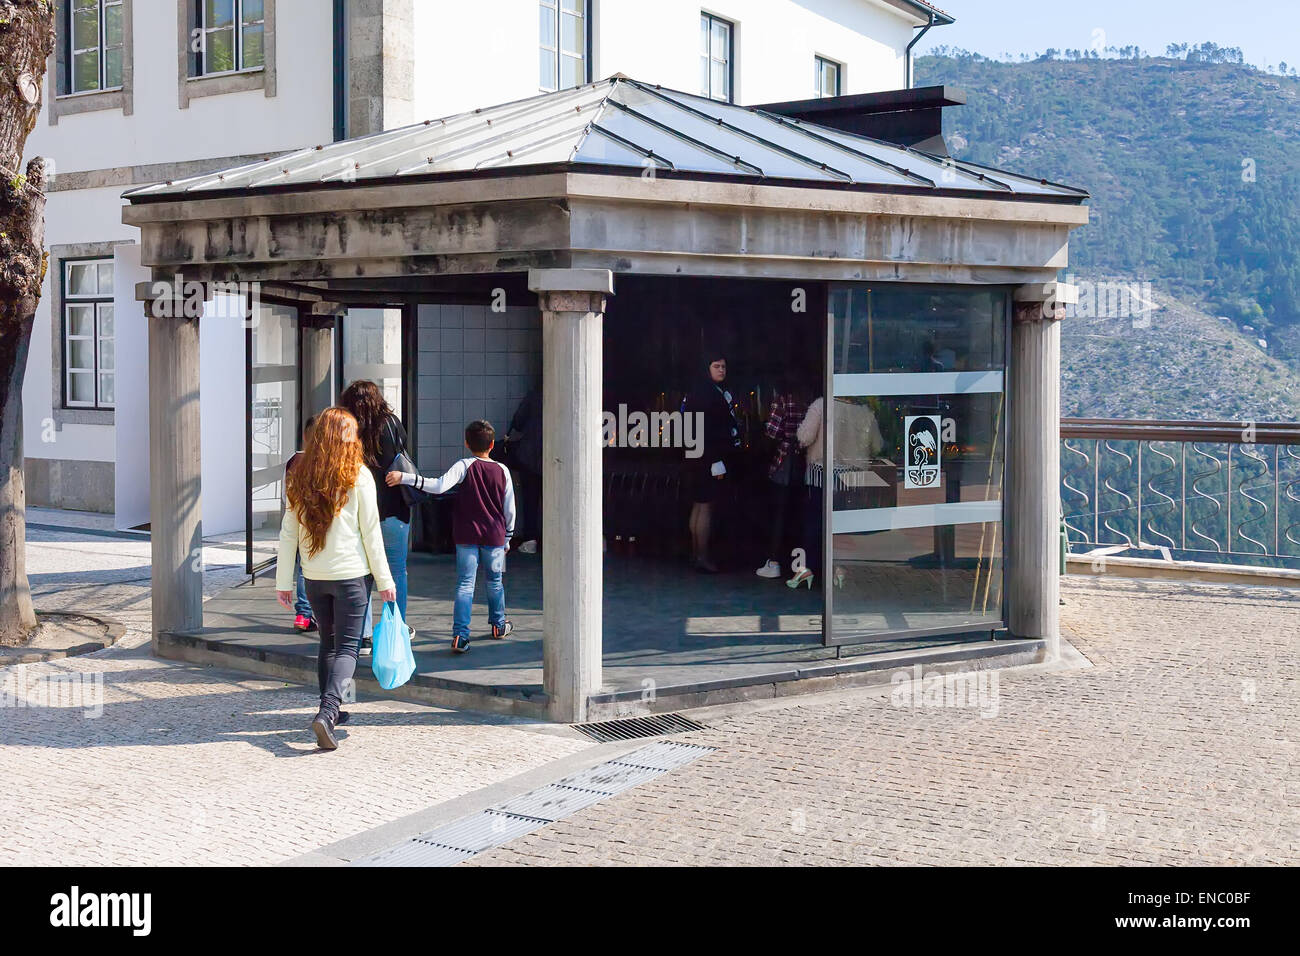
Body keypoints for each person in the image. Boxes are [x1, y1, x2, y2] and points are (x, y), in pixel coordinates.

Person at [277, 407, 395, 751]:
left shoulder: (300, 475)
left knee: (327, 644)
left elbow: (288, 532)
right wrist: (386, 581)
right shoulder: (358, 476)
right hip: (351, 577)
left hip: (314, 577)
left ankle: (330, 710)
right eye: (354, 433)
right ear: (347, 439)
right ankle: (328, 712)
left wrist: (284, 581)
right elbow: (371, 535)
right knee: (347, 647)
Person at [387, 420, 515, 654]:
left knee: (465, 584)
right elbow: (510, 509)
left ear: (466, 443)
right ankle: (498, 625)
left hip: (466, 536)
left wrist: (405, 477)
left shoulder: (464, 466)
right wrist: (508, 537)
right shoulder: (503, 470)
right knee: (495, 583)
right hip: (495, 538)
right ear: (493, 444)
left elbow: (438, 486)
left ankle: (460, 636)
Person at [339, 380, 412, 642]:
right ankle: (395, 630)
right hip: (394, 508)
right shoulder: (391, 422)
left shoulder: (346, 428)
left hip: (359, 512)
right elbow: (402, 450)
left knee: (362, 574)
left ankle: (364, 635)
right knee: (396, 573)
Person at [681, 353, 740, 573]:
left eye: (724, 366)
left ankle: (697, 554)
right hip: (707, 458)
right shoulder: (707, 394)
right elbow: (705, 429)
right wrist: (714, 459)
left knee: (699, 505)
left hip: (697, 457)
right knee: (705, 506)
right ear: (708, 368)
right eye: (717, 366)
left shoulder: (701, 391)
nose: (721, 370)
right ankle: (702, 556)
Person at [755, 383, 810, 579]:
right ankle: (797, 563)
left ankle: (774, 562)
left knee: (778, 513)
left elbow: (772, 431)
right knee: (798, 515)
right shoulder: (808, 399)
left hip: (784, 460)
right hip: (803, 459)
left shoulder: (783, 399)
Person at [284, 416, 317, 632]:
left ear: (305, 436)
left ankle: (303, 616)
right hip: (320, 524)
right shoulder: (327, 462)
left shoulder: (294, 461)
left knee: (303, 569)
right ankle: (321, 616)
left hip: (298, 523)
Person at [504, 386, 542, 553]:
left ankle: (530, 540)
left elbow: (518, 422)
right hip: (560, 456)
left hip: (532, 456)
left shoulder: (535, 395)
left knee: (530, 498)